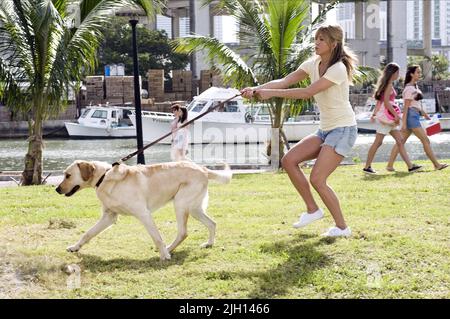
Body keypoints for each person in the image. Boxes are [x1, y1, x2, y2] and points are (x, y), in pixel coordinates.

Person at [241, 24, 357, 237]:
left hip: (343, 129)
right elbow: (285, 82)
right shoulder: (313, 63)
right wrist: (258, 90)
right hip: (326, 129)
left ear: (333, 43)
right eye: (316, 39)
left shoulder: (338, 68)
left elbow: (307, 92)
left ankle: (342, 228)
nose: (316, 43)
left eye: (321, 40)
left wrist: (270, 94)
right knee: (289, 160)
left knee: (318, 179)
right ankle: (312, 210)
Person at [362, 63, 421, 174]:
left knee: (400, 140)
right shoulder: (388, 85)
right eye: (397, 72)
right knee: (378, 142)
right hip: (387, 118)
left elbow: (380, 101)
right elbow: (386, 103)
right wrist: (396, 116)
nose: (398, 74)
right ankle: (367, 167)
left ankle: (410, 166)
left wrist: (374, 114)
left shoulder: (386, 85)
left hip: (387, 117)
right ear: (392, 73)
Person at [386, 65, 448, 171]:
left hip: (414, 115)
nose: (419, 74)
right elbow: (406, 107)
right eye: (417, 72)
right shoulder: (409, 88)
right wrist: (404, 124)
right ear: (411, 74)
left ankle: (390, 166)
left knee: (400, 142)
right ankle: (436, 165)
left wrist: (424, 113)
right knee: (425, 140)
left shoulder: (414, 87)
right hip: (411, 116)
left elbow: (415, 104)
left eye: (420, 72)